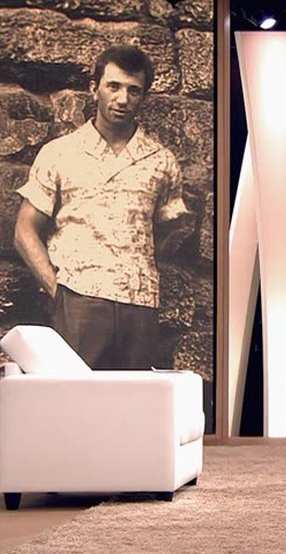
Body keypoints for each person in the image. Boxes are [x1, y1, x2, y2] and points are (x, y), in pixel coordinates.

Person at [14, 44, 190, 369]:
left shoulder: (161, 161)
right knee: (75, 395)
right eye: (114, 86)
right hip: (79, 298)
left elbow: (170, 232)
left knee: (133, 397)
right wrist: (59, 291)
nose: (123, 99)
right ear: (94, 88)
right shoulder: (60, 153)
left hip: (140, 304)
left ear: (144, 96)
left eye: (134, 90)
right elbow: (24, 230)